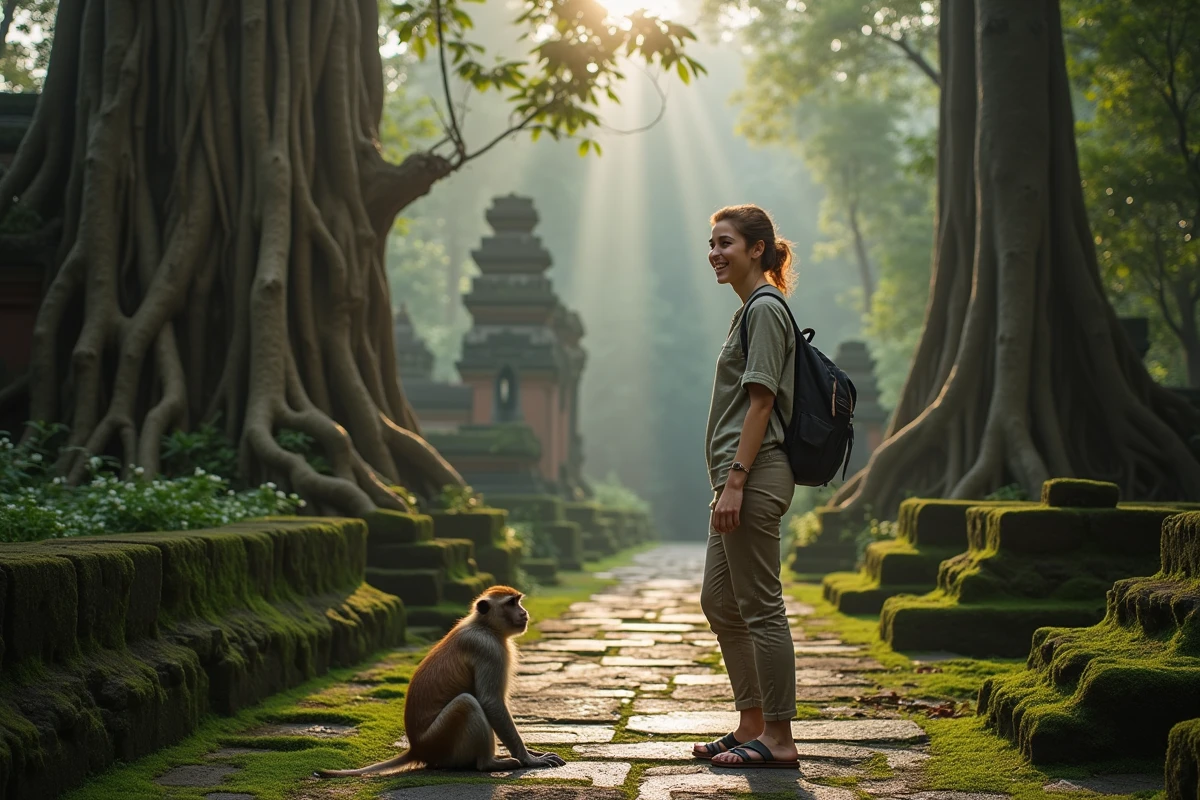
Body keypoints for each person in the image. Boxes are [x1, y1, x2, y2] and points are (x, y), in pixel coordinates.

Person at [692, 204, 800, 770]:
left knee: (760, 606)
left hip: (753, 475)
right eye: (712, 244)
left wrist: (735, 481)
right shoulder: (748, 311)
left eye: (725, 242)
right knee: (719, 600)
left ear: (757, 249)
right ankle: (751, 723)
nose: (715, 253)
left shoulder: (765, 309)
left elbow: (761, 403)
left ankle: (779, 738)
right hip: (735, 478)